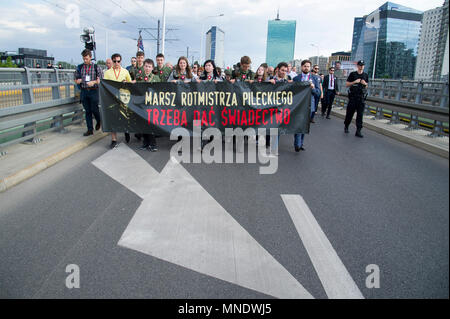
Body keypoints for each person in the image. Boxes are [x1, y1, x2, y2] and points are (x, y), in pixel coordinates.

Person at [103, 53, 132, 148]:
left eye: (118, 61)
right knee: (112, 119)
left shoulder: (125, 71)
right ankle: (114, 139)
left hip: (123, 99)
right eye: (114, 61)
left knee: (124, 117)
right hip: (112, 99)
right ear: (112, 61)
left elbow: (130, 83)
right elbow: (105, 85)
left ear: (121, 61)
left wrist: (126, 83)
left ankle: (126, 131)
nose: (116, 63)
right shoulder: (107, 73)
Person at [293, 60, 321, 152]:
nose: (306, 68)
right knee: (297, 124)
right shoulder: (296, 78)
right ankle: (297, 144)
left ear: (310, 68)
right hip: (298, 105)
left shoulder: (314, 78)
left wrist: (313, 88)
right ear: (301, 67)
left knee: (304, 125)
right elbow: (292, 92)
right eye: (304, 66)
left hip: (309, 105)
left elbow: (318, 93)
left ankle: (300, 143)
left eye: (308, 66)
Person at [74, 49, 103, 137]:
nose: (85, 60)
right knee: (87, 111)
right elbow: (75, 78)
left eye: (86, 58)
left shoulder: (96, 67)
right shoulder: (80, 67)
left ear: (90, 57)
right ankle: (89, 129)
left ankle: (99, 121)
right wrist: (77, 81)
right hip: (84, 91)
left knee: (94, 109)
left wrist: (94, 82)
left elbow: (100, 79)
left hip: (94, 90)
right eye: (84, 59)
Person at [136, 58, 160, 151]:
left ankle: (153, 144)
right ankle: (145, 143)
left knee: (151, 124)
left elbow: (158, 90)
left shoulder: (156, 78)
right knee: (143, 124)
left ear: (152, 68)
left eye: (149, 66)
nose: (147, 68)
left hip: (152, 104)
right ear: (143, 66)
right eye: (146, 66)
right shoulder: (139, 77)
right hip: (142, 104)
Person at [267, 62, 291, 155]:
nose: (284, 72)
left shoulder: (287, 81)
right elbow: (261, 88)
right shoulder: (270, 79)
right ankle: (269, 142)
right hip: (270, 107)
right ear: (277, 69)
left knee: (278, 128)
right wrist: (268, 83)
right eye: (282, 70)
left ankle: (274, 148)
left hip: (281, 109)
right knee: (270, 127)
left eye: (285, 71)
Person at [344, 60, 368, 138]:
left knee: (360, 115)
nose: (361, 67)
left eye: (363, 65)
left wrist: (365, 84)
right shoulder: (353, 74)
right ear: (357, 66)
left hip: (361, 98)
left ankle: (358, 131)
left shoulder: (365, 75)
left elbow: (367, 86)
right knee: (349, 114)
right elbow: (347, 84)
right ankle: (346, 126)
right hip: (353, 97)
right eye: (360, 65)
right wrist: (354, 82)